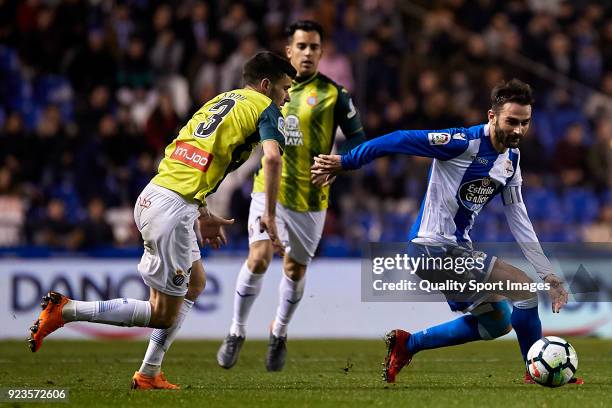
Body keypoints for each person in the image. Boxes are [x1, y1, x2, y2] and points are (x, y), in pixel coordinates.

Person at [27, 51, 296, 390]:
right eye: (285, 88)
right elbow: (271, 159)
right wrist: (269, 214)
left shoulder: (220, 102)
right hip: (171, 210)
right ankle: (66, 310)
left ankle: (149, 372)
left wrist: (202, 212)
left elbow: (186, 155)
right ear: (266, 85)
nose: (287, 97)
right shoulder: (265, 108)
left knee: (195, 283)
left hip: (159, 194)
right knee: (162, 313)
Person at [311, 79, 584, 385]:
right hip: (432, 249)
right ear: (492, 116)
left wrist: (548, 274)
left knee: (497, 323)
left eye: (525, 123)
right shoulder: (461, 142)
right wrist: (348, 160)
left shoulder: (511, 160)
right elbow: (400, 138)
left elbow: (519, 218)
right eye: (511, 121)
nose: (518, 130)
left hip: (455, 251)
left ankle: (408, 344)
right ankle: (536, 372)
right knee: (523, 289)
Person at [217, 20, 366, 372]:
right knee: (258, 257)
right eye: (302, 46)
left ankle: (278, 332)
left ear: (322, 52)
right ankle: (236, 330)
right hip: (270, 190)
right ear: (289, 51)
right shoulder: (271, 91)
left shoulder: (335, 95)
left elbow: (360, 141)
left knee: (295, 269)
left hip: (312, 200)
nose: (309, 53)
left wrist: (340, 165)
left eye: (315, 47)